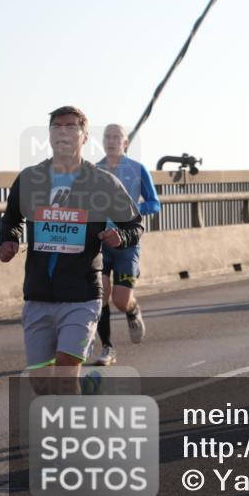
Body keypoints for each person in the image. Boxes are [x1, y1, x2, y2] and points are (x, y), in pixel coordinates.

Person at [0, 106, 143, 392]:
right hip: (39, 294)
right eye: (57, 126)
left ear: (84, 137)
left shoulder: (101, 182)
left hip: (82, 295)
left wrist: (120, 238)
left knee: (65, 375)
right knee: (41, 383)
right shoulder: (30, 178)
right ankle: (87, 394)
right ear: (49, 135)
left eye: (71, 126)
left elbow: (135, 225)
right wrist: (9, 240)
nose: (63, 131)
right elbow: (12, 217)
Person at [90, 124, 161, 366]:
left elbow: (154, 203)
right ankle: (107, 348)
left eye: (116, 137)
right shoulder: (94, 170)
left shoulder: (137, 170)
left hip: (128, 242)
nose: (111, 141)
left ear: (125, 142)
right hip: (101, 241)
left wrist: (133, 210)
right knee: (101, 296)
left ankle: (132, 310)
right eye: (107, 137)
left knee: (121, 300)